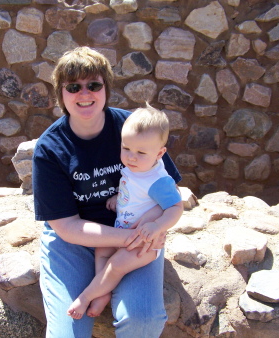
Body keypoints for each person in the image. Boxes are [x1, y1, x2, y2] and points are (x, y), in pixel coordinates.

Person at [32, 46, 183, 338]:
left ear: (106, 88)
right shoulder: (50, 148)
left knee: (142, 319)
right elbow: (65, 226)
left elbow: (168, 191)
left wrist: (151, 227)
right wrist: (131, 238)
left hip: (135, 228)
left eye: (93, 85)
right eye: (73, 87)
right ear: (60, 94)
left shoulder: (133, 130)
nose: (84, 94)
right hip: (75, 241)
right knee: (67, 334)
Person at [67, 104, 183, 320]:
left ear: (160, 153)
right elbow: (136, 191)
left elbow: (176, 207)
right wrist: (118, 198)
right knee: (102, 251)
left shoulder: (158, 180)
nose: (131, 157)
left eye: (140, 152)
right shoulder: (137, 168)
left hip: (145, 242)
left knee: (115, 265)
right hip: (124, 230)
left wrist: (157, 226)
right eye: (126, 148)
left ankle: (86, 297)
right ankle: (104, 291)